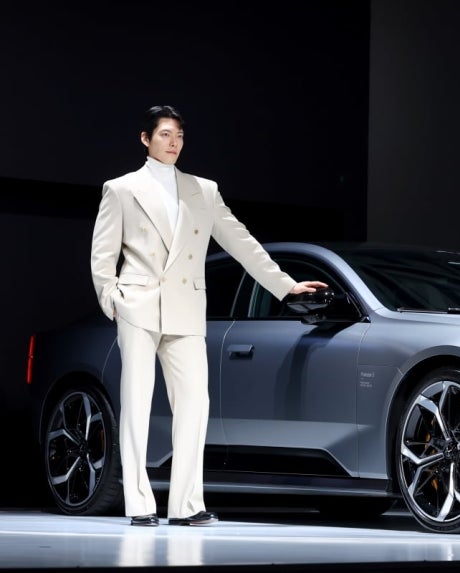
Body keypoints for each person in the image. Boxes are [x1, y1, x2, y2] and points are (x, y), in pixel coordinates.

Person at [90, 105, 327, 527]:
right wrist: (111, 298)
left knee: (195, 404)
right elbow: (102, 253)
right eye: (165, 134)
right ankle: (140, 504)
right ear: (146, 139)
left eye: (179, 135)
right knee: (136, 404)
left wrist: (285, 285)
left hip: (185, 306)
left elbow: (241, 241)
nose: (173, 142)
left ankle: (185, 505)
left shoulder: (203, 190)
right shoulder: (121, 189)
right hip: (138, 305)